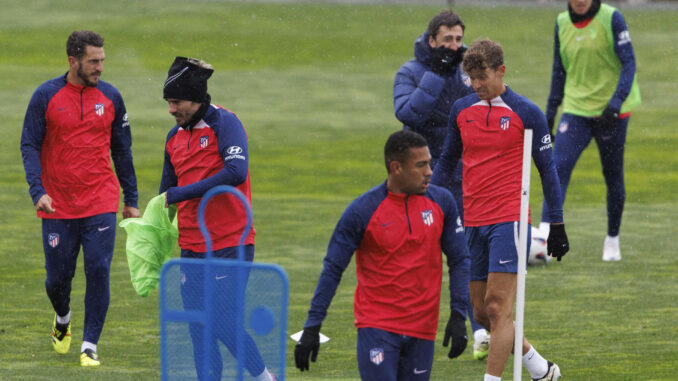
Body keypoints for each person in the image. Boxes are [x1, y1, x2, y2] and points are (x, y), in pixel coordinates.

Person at [431, 39, 570, 381]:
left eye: (483, 77)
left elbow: (547, 170)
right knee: (481, 312)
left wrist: (557, 223)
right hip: (472, 219)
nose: (477, 85)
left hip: (510, 218)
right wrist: (428, 202)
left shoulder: (527, 112)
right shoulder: (461, 110)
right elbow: (448, 160)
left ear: (501, 71)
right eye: (471, 78)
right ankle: (540, 368)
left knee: (497, 307)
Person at [295, 130, 471, 380]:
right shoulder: (362, 211)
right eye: (420, 165)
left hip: (423, 329)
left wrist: (458, 314)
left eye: (429, 163)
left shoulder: (442, 202)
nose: (429, 171)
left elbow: (460, 259)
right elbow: (333, 269)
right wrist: (312, 326)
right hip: (377, 327)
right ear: (396, 168)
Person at [20, 30, 140, 367]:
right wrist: (37, 190)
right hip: (57, 203)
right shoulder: (46, 96)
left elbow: (123, 151)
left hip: (101, 200)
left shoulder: (112, 97)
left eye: (102, 60)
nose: (100, 67)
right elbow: (29, 144)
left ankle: (89, 344)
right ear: (73, 61)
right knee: (57, 280)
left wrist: (130, 197)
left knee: (99, 269)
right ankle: (62, 318)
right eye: (93, 61)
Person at [158, 57, 275, 381]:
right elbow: (166, 191)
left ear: (195, 99)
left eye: (175, 102)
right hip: (192, 248)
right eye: (168, 102)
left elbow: (236, 171)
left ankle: (265, 377)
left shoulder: (226, 123)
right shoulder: (173, 139)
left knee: (222, 320)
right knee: (199, 327)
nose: (171, 109)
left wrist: (183, 195)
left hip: (230, 243)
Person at [393, 9, 490, 360]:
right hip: (419, 182)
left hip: (464, 179)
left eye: (458, 40)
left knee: (466, 255)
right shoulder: (411, 71)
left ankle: (478, 329)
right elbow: (409, 115)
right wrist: (436, 73)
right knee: (416, 254)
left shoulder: (468, 74)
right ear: (432, 40)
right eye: (446, 40)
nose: (453, 46)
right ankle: (406, 326)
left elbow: (494, 102)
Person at [540, 0, 641, 262]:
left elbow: (629, 63)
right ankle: (544, 236)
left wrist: (616, 104)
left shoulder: (612, 18)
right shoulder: (561, 22)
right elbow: (558, 71)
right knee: (557, 167)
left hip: (612, 112)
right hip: (576, 110)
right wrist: (550, 113)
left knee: (612, 174)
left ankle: (612, 238)